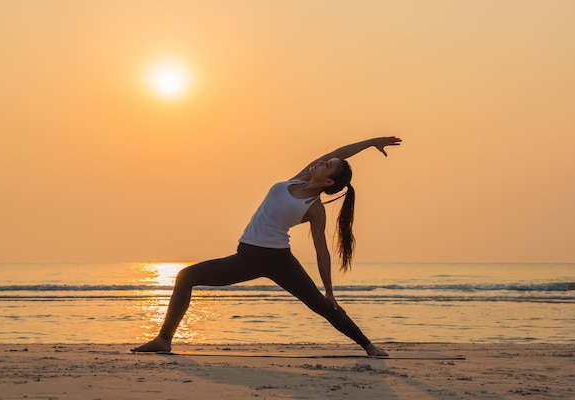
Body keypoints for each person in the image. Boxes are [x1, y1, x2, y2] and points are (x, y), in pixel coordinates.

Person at [132, 136, 402, 356]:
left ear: (329, 181)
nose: (320, 161)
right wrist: (371, 142)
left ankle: (368, 345)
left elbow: (322, 251)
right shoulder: (298, 179)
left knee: (320, 305)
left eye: (326, 165)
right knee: (185, 277)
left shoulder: (315, 208)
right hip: (246, 256)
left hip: (278, 260)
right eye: (323, 161)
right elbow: (339, 150)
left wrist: (329, 291)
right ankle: (164, 339)